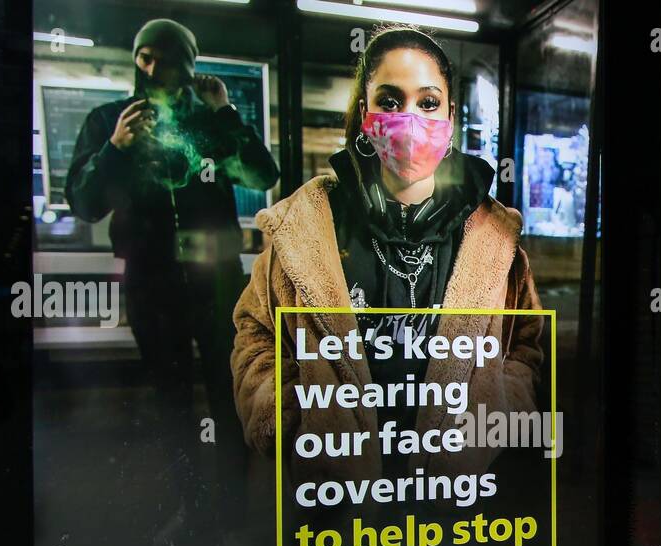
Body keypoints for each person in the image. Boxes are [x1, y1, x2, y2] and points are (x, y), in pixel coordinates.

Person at [230, 25, 542, 484]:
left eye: (428, 102)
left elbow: (526, 345)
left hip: (452, 500)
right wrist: (297, 424)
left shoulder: (494, 236)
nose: (409, 118)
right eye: (391, 101)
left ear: (451, 116)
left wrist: (491, 421)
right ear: (364, 113)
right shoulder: (307, 225)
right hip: (335, 507)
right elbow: (256, 333)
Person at [66, 18, 280, 546]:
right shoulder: (109, 122)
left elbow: (262, 175)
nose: (158, 69)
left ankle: (229, 515)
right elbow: (86, 203)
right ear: (139, 61)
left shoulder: (209, 123)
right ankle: (193, 509)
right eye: (149, 57)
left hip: (214, 283)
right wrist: (115, 147)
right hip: (152, 281)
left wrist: (226, 112)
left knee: (229, 400)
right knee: (171, 403)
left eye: (174, 59)